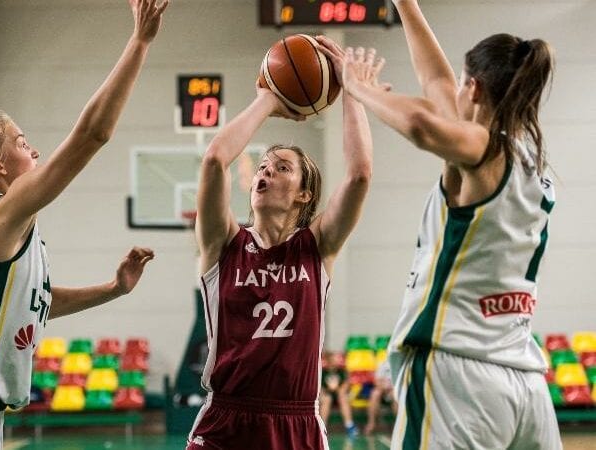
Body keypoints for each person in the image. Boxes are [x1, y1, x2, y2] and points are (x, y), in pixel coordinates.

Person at [0, 1, 167, 448]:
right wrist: (139, 43)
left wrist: (112, 289)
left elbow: (31, 304)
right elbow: (91, 136)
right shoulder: (5, 210)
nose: (35, 151)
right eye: (22, 142)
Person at [339, 0, 561, 448]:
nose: (452, 90)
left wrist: (359, 88)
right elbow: (435, 82)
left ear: (475, 88)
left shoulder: (484, 148)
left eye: (462, 83)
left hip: (457, 371)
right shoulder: (531, 160)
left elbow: (422, 124)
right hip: (524, 379)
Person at [186, 37, 382, 450]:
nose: (264, 173)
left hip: (296, 424)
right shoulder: (224, 242)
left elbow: (360, 174)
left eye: (281, 168)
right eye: (262, 166)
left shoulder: (317, 246)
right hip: (226, 418)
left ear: (303, 194)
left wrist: (351, 90)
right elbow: (214, 160)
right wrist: (267, 100)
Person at [319, 351, 358, 438]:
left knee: (343, 398)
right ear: (329, 360)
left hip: (339, 395)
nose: (337, 360)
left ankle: (349, 425)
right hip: (327, 396)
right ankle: (322, 427)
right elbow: (320, 388)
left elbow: (345, 387)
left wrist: (336, 388)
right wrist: (327, 390)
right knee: (327, 399)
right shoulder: (322, 371)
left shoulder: (342, 371)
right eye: (334, 358)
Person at [364, 361, 397, 436]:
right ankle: (371, 423)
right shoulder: (382, 365)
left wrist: (392, 387)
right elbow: (376, 382)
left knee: (395, 394)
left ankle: (399, 424)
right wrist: (384, 387)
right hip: (382, 390)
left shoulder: (401, 364)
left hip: (394, 390)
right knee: (375, 394)